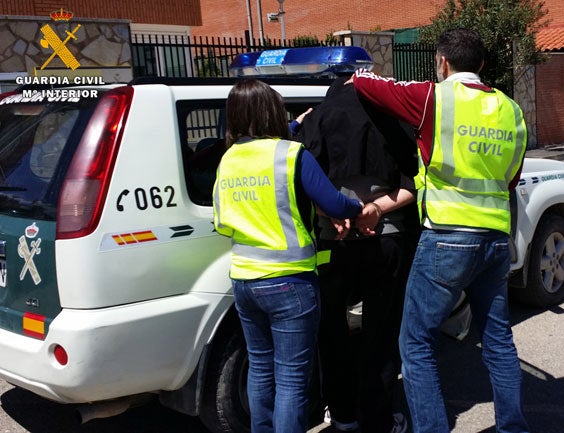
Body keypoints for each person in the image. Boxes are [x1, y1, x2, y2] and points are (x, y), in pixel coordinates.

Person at [346, 28, 530, 433]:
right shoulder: (511, 111)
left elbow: (368, 84)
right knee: (498, 342)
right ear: (482, 66)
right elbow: (512, 178)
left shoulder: (435, 98)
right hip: (495, 240)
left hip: (446, 238)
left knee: (415, 343)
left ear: (442, 63)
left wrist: (353, 72)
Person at [212, 78, 363, 433]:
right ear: (271, 112)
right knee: (293, 380)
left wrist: (296, 126)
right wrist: (358, 207)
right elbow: (332, 202)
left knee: (261, 369)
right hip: (290, 283)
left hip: (245, 282)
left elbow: (221, 222)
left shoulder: (228, 160)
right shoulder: (292, 154)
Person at [295, 76, 421, 433]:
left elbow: (299, 184)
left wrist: (335, 214)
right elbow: (411, 184)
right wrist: (375, 210)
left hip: (333, 243)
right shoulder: (391, 117)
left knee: (332, 332)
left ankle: (343, 415)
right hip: (386, 240)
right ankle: (379, 419)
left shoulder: (319, 118)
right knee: (380, 333)